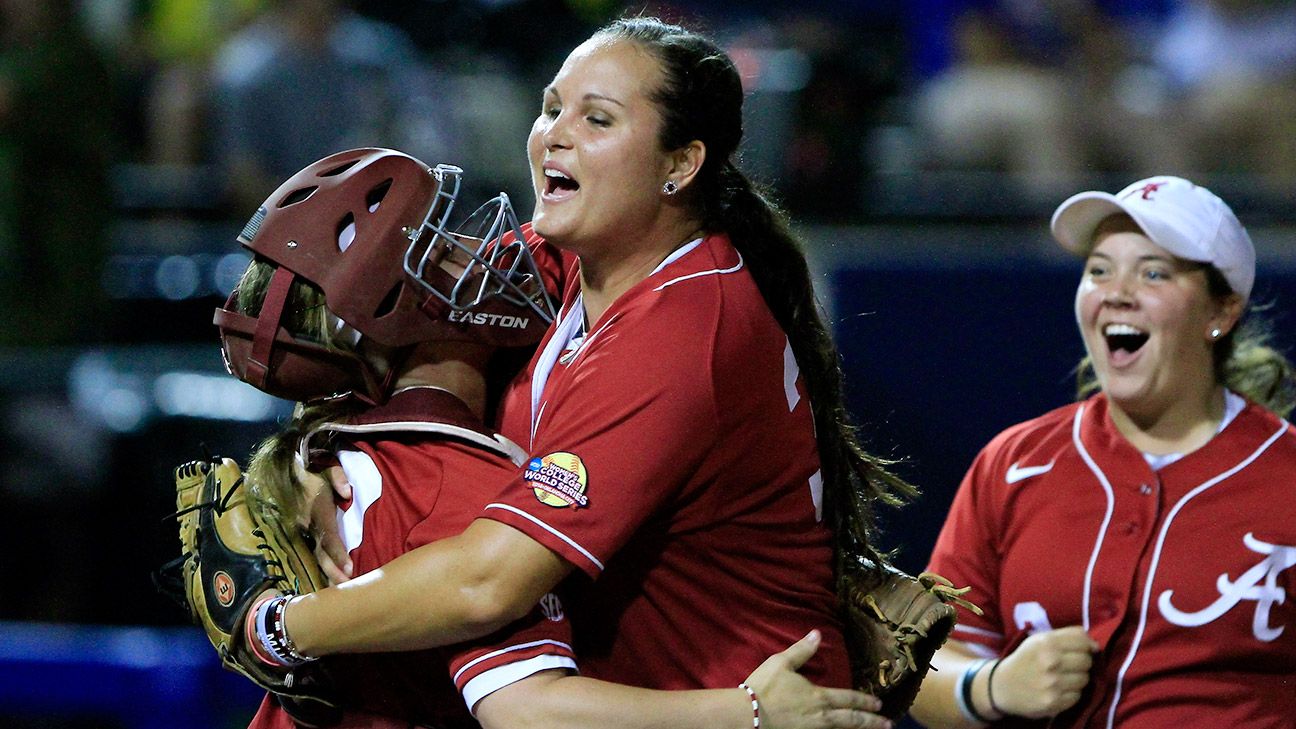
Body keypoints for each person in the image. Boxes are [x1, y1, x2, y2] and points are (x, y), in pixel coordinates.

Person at [242, 14, 907, 727]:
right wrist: (308, 455)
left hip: (748, 705)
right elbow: (380, 321)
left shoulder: (682, 328)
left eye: (597, 119)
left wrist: (277, 627)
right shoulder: (570, 256)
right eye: (551, 107)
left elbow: (487, 583)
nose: (553, 135)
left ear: (680, 165)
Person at [909, 175, 1296, 728]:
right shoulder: (1015, 462)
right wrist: (991, 685)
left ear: (1221, 313)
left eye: (1153, 273)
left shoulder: (1285, 476)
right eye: (1099, 270)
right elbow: (925, 662)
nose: (1116, 291)